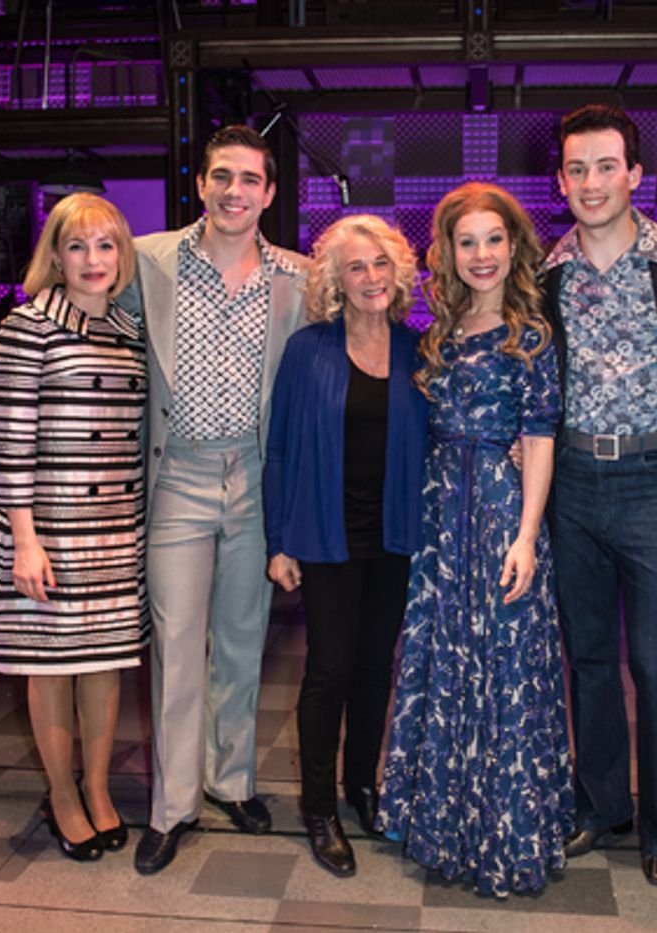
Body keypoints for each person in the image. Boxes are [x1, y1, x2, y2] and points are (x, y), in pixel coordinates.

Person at [120, 125, 310, 876]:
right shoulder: (147, 258)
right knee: (176, 643)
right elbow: (78, 297)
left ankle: (231, 781)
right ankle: (171, 806)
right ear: (200, 183)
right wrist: (21, 333)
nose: (235, 191)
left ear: (269, 192)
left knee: (241, 636)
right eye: (221, 176)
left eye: (251, 180)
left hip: (257, 476)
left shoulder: (297, 275)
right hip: (179, 477)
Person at [376, 183, 573, 898]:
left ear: (514, 247)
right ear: (449, 252)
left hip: (498, 510)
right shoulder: (438, 331)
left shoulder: (531, 333)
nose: (482, 254)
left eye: (494, 239)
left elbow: (541, 436)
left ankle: (505, 829)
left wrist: (526, 534)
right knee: (443, 658)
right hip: (441, 514)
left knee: (505, 663)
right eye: (468, 242)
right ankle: (447, 824)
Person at [542, 104, 657, 884]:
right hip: (572, 478)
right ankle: (602, 803)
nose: (592, 182)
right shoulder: (546, 273)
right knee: (590, 656)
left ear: (637, 175)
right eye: (578, 168)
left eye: (608, 166)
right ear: (560, 179)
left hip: (653, 477)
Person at [261, 214, 428, 877]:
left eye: (380, 264)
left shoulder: (420, 350)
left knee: (372, 666)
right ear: (336, 279)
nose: (370, 278)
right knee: (328, 667)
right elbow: (279, 450)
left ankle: (363, 786)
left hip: (395, 534)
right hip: (326, 534)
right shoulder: (308, 350)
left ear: (398, 272)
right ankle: (318, 805)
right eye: (355, 267)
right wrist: (279, 540)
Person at [0, 192, 146, 861]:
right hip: (47, 529)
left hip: (113, 530)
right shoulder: (29, 325)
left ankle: (100, 788)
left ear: (122, 254)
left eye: (105, 245)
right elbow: (10, 435)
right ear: (54, 255)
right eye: (76, 246)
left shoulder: (130, 328)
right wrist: (23, 537)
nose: (92, 260)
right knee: (49, 667)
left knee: (104, 668)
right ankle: (61, 795)